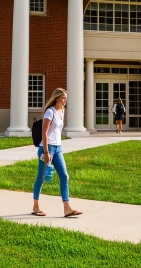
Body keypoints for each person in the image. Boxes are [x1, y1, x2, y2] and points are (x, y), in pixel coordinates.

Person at [32, 88, 83, 218]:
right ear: (56, 98)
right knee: (41, 177)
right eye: (63, 98)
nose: (65, 101)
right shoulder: (50, 112)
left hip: (58, 148)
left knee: (64, 176)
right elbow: (44, 133)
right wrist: (46, 152)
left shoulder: (62, 111)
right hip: (46, 148)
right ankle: (36, 206)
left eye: (66, 98)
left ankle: (67, 208)